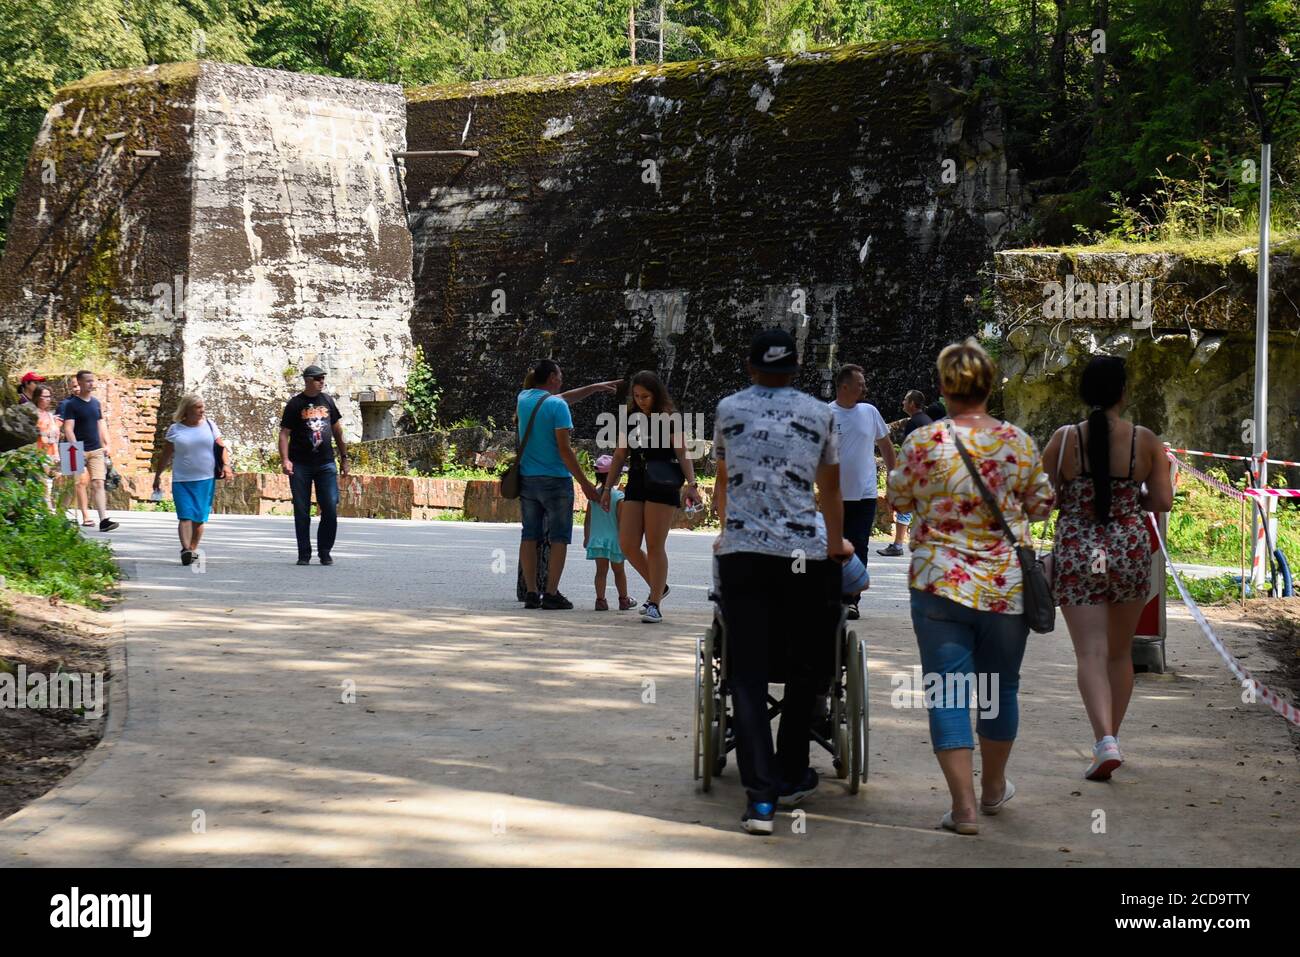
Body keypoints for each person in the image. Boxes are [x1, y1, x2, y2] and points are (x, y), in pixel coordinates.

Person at [886, 339, 1053, 836]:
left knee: (948, 692)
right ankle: (994, 787)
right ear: (989, 385)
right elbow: (1042, 504)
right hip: (1005, 587)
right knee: (1000, 689)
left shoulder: (922, 442)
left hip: (938, 584)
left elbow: (897, 498)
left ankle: (963, 809)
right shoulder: (1017, 442)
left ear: (942, 388)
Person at [713, 328, 853, 835]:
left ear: (751, 367)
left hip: (744, 555)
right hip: (803, 557)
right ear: (796, 369)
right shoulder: (822, 414)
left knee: (746, 676)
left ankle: (761, 801)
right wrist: (836, 543)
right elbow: (831, 488)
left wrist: (727, 529)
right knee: (806, 669)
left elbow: (725, 479)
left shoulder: (728, 409)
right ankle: (792, 770)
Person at [1041, 356, 1173, 781]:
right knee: (1120, 653)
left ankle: (1104, 742)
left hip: (1079, 549)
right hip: (1129, 549)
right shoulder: (1144, 440)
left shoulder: (1063, 440)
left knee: (1090, 653)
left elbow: (1043, 501)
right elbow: (1163, 501)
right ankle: (1110, 739)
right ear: (1123, 393)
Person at [516, 360, 620, 609]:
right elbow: (565, 449)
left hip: (528, 480)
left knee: (529, 535)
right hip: (555, 481)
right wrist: (584, 483)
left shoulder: (524, 398)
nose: (562, 380)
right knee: (559, 538)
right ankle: (551, 592)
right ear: (552, 377)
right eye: (560, 375)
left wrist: (593, 388)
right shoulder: (557, 406)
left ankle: (531, 592)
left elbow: (557, 400)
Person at [601, 371, 702, 624]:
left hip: (663, 482)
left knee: (655, 544)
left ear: (656, 394)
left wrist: (692, 484)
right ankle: (659, 586)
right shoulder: (629, 418)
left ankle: (654, 602)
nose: (641, 400)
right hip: (637, 481)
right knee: (627, 543)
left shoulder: (669, 418)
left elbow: (682, 452)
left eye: (645, 396)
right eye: (636, 396)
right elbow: (620, 454)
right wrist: (606, 488)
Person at [828, 364, 895, 619]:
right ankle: (834, 595)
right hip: (835, 495)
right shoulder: (826, 414)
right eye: (859, 384)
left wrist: (893, 478)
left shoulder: (870, 412)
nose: (864, 387)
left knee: (860, 546)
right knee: (835, 547)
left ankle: (851, 599)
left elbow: (887, 448)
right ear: (844, 386)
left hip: (865, 494)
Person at [152, 393, 234, 565]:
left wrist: (226, 466)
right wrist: (158, 475)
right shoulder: (175, 429)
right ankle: (186, 549)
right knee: (185, 515)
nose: (202, 410)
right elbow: (166, 455)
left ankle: (192, 548)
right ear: (186, 410)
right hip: (181, 479)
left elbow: (221, 447)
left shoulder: (210, 426)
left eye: (202, 406)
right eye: (197, 407)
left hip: (205, 479)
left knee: (199, 518)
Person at [279, 365, 348, 565]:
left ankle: (325, 551)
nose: (322, 381)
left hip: (326, 463)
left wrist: (344, 457)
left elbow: (337, 430)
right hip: (300, 464)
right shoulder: (295, 404)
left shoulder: (327, 401)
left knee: (330, 508)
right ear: (308, 380)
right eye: (318, 378)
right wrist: (285, 459)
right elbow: (284, 433)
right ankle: (304, 554)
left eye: (323, 378)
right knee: (301, 510)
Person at [59, 370, 119, 532]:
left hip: (95, 449)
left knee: (98, 482)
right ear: (79, 382)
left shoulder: (96, 403)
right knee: (73, 485)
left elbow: (100, 424)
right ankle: (59, 515)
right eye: (87, 381)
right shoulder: (71, 405)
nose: (91, 384)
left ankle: (103, 520)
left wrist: (107, 443)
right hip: (74, 449)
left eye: (93, 381)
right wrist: (74, 447)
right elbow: (68, 428)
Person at [879, 389, 934, 557]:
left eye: (905, 400)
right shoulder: (927, 420)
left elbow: (911, 451)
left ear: (911, 404)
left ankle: (897, 545)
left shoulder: (914, 422)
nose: (902, 402)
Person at [584, 454, 635, 611]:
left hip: (598, 540)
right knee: (619, 571)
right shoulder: (619, 496)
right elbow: (622, 521)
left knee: (600, 572)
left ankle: (600, 600)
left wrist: (587, 537)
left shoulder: (593, 496)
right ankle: (623, 599)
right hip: (615, 541)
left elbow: (588, 520)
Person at [33, 385, 60, 508]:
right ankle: (46, 510)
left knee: (49, 483)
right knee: (41, 483)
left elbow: (54, 437)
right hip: (37, 453)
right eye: (45, 396)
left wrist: (56, 454)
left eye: (49, 396)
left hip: (49, 453)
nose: (48, 399)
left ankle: (47, 510)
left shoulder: (50, 415)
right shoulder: (32, 413)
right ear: (38, 397)